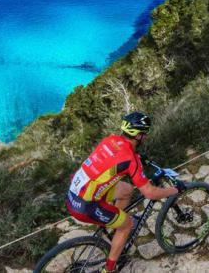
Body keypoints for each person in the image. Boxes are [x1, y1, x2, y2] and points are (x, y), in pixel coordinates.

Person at [65, 112, 178, 273]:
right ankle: (110, 269)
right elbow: (150, 193)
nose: (145, 137)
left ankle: (113, 227)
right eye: (144, 133)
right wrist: (174, 190)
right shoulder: (131, 160)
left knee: (127, 190)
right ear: (138, 136)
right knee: (127, 225)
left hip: (74, 193)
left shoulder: (110, 140)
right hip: (86, 205)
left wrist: (138, 157)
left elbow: (113, 158)